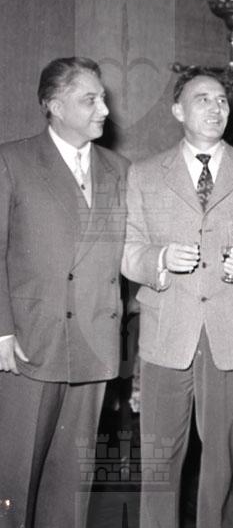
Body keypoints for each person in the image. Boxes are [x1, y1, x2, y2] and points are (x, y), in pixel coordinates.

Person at [121, 67, 233, 528]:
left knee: (222, 462)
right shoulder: (144, 174)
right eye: (203, 99)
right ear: (177, 110)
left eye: (222, 100)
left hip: (231, 334)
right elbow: (129, 251)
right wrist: (159, 258)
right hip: (166, 334)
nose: (216, 108)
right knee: (160, 462)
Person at [0, 57, 129, 528]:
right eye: (90, 100)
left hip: (94, 342)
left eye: (103, 98)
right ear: (54, 106)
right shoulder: (11, 160)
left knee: (73, 485)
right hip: (29, 343)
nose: (104, 110)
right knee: (14, 479)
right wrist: (1, 332)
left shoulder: (120, 168)